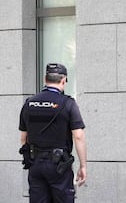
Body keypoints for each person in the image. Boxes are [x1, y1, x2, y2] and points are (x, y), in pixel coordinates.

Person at [19, 63, 87, 203]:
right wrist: (83, 165)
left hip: (35, 164)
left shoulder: (29, 103)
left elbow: (23, 138)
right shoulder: (68, 103)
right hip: (59, 166)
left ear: (45, 79)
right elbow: (78, 136)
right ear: (63, 80)